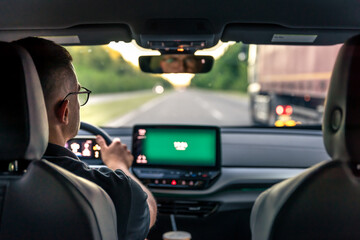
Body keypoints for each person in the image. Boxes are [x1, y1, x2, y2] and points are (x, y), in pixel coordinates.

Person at [13, 37, 157, 240]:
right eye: (78, 94)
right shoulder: (111, 191)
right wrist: (119, 165)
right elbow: (148, 210)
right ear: (64, 112)